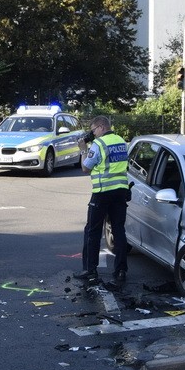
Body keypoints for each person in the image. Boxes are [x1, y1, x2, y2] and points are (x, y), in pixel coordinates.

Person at [75, 116, 130, 289]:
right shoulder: (121, 141)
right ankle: (121, 270)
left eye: (93, 130)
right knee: (119, 229)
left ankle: (90, 270)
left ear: (101, 127)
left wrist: (83, 149)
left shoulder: (98, 145)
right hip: (121, 191)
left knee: (92, 230)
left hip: (102, 192)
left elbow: (85, 168)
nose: (92, 134)